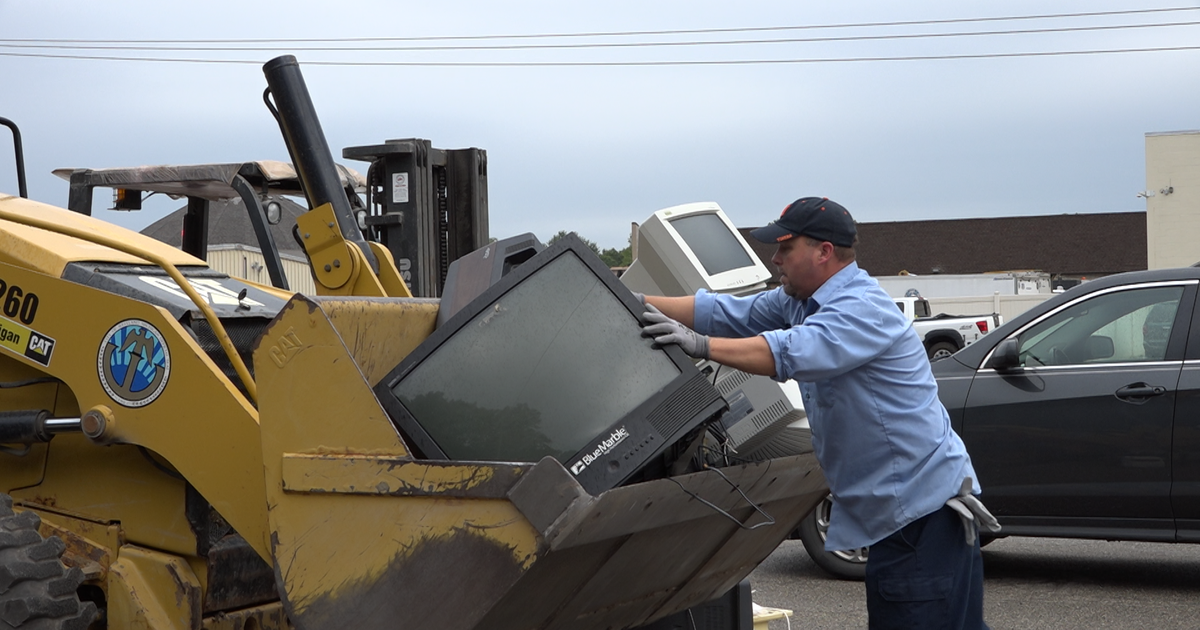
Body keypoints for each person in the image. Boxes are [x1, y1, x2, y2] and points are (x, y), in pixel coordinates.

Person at [639, 197, 998, 630]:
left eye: (785, 249)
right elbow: (728, 312)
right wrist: (634, 300)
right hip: (905, 521)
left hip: (921, 523)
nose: (774, 259)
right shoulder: (802, 301)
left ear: (823, 252)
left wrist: (699, 345)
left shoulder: (861, 310)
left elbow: (790, 352)